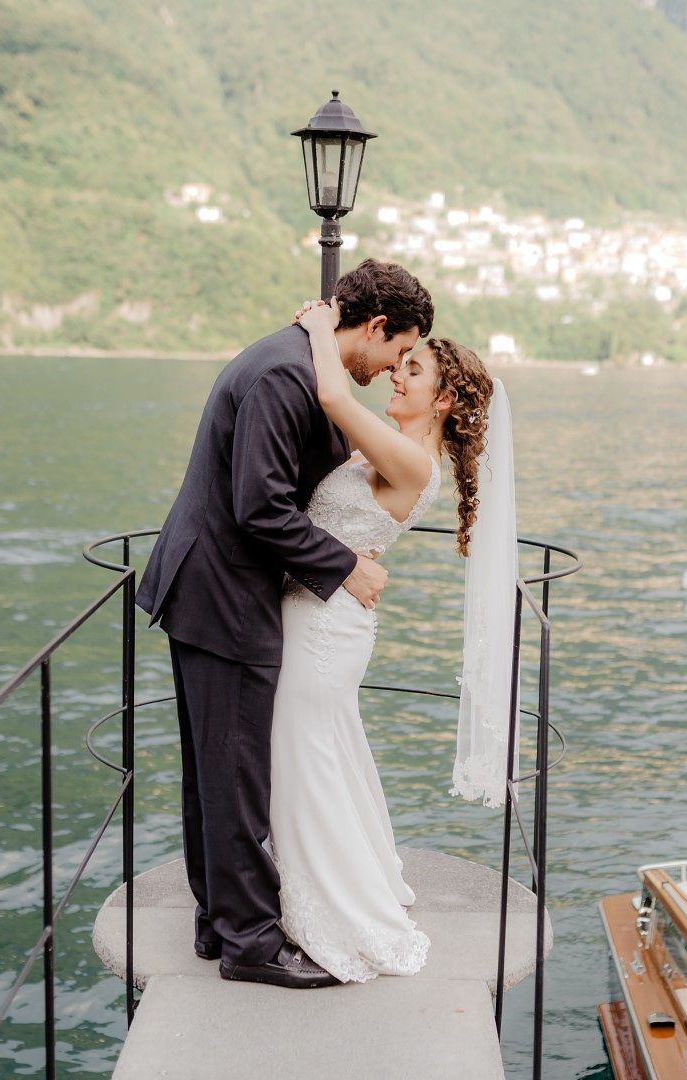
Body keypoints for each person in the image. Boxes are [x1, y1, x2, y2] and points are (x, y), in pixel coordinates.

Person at [135, 259, 433, 990]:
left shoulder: (303, 360)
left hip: (220, 587)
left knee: (218, 768)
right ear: (375, 327)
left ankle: (218, 922)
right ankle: (251, 946)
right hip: (222, 591)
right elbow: (260, 507)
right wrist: (345, 567)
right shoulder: (284, 374)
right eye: (397, 351)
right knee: (235, 770)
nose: (393, 367)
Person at [266, 297, 495, 982]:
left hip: (322, 629)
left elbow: (333, 392)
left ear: (445, 398)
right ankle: (322, 889)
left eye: (413, 369)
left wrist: (314, 325)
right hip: (320, 617)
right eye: (402, 362)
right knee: (323, 759)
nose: (397, 373)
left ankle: (334, 911)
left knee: (306, 766)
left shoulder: (413, 461)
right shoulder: (395, 450)